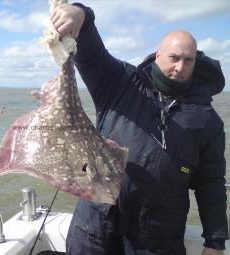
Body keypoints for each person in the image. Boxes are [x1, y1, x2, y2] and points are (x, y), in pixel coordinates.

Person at [51, 3, 228, 255]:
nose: (180, 67)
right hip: (96, 223)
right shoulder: (121, 83)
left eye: (189, 60)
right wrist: (81, 15)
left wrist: (215, 241)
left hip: (157, 236)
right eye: (174, 58)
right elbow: (91, 54)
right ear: (158, 55)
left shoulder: (207, 120)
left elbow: (211, 182)